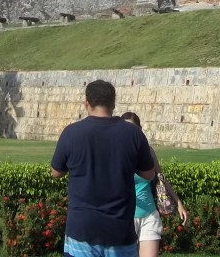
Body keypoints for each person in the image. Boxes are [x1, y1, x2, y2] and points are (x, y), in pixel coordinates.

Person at [51, 80, 156, 257]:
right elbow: (148, 173)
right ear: (113, 103)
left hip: (82, 230)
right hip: (120, 230)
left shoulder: (71, 133)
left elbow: (56, 172)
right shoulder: (133, 133)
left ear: (86, 103)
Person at [121, 112, 188, 257]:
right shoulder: (116, 154)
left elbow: (161, 178)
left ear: (139, 130)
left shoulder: (148, 152)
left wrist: (178, 202)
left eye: (133, 129)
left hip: (149, 216)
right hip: (124, 217)